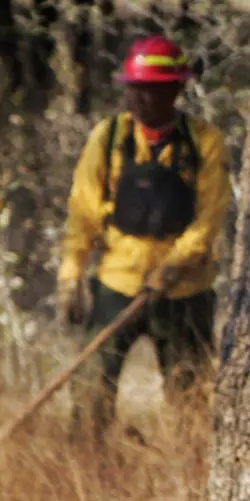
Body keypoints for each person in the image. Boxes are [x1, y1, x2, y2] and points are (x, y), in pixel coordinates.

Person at [56, 36, 231, 441]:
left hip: (185, 291)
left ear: (176, 89)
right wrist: (71, 275)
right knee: (91, 389)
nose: (141, 99)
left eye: (152, 90)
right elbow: (82, 212)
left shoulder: (203, 141)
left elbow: (210, 217)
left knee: (192, 395)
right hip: (117, 285)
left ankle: (190, 473)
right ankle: (83, 469)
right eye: (135, 89)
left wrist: (174, 267)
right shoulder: (109, 137)